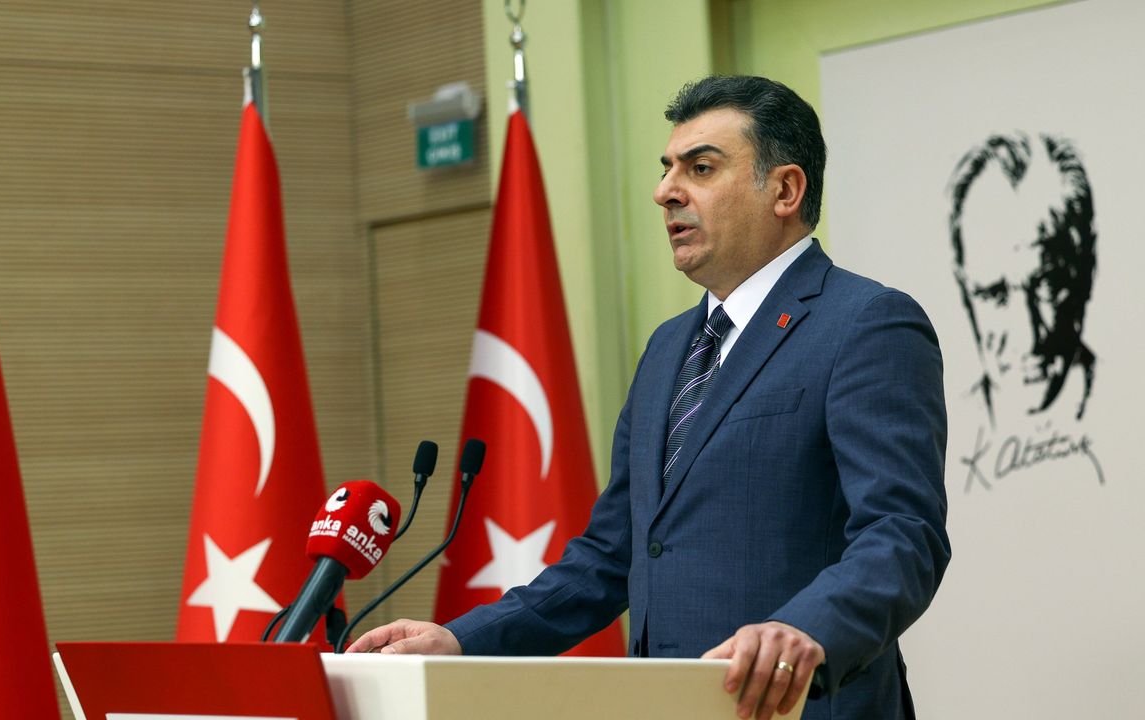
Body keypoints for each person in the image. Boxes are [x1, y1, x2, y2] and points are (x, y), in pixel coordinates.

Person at [349, 75, 950, 720]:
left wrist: (805, 630)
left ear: (785, 190)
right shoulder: (669, 348)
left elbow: (902, 533)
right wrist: (461, 641)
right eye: (667, 169)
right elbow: (610, 558)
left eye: (700, 168)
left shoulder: (865, 324)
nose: (665, 191)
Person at [948, 132, 1097, 425]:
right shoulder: (946, 422)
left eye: (1048, 285)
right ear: (964, 291)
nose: (1027, 339)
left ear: (1086, 273)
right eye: (994, 294)